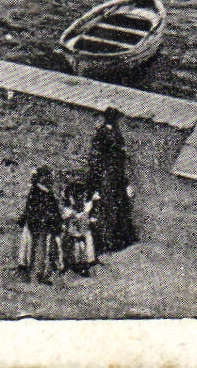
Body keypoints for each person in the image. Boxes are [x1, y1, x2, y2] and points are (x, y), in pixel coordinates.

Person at [86, 106, 137, 253]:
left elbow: (95, 159)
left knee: (112, 207)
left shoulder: (106, 133)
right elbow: (100, 158)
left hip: (110, 176)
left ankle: (113, 240)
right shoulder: (111, 134)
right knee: (112, 207)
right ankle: (112, 241)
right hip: (111, 176)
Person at [17, 167, 62, 284]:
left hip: (46, 225)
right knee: (35, 249)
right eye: (47, 176)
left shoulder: (48, 192)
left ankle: (43, 273)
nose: (49, 179)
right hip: (37, 225)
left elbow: (54, 209)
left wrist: (55, 220)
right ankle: (35, 275)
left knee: (46, 249)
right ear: (41, 178)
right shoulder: (36, 192)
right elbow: (31, 210)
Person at [61, 180, 99, 276]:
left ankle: (88, 263)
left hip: (83, 229)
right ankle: (79, 265)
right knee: (77, 245)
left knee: (86, 242)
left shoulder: (84, 206)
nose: (80, 197)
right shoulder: (68, 208)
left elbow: (85, 212)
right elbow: (68, 217)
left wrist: (84, 216)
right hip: (74, 230)